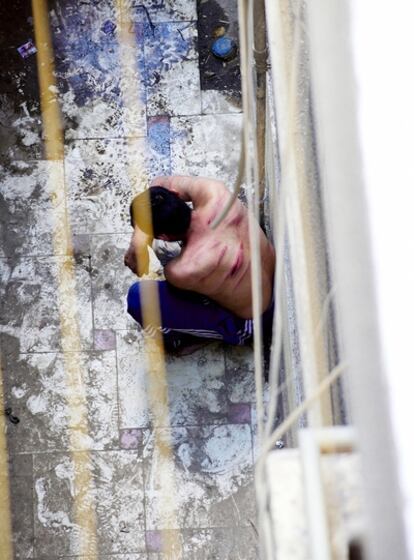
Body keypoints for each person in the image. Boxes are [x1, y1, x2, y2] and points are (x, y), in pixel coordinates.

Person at [124, 175, 275, 353]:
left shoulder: (181, 270)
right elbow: (159, 182)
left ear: (163, 236)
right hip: (275, 275)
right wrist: (139, 242)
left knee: (138, 299)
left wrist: (141, 242)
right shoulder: (214, 191)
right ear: (175, 193)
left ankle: (180, 342)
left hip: (258, 320)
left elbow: (185, 297)